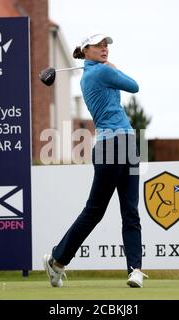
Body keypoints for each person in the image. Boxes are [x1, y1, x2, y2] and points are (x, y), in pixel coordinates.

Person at [43, 33, 147, 288]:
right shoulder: (100, 73)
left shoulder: (93, 73)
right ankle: (57, 258)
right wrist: (112, 66)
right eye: (99, 45)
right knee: (95, 211)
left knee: (130, 211)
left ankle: (135, 270)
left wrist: (107, 65)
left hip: (128, 142)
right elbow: (134, 86)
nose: (104, 49)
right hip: (111, 145)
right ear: (85, 50)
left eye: (106, 45)